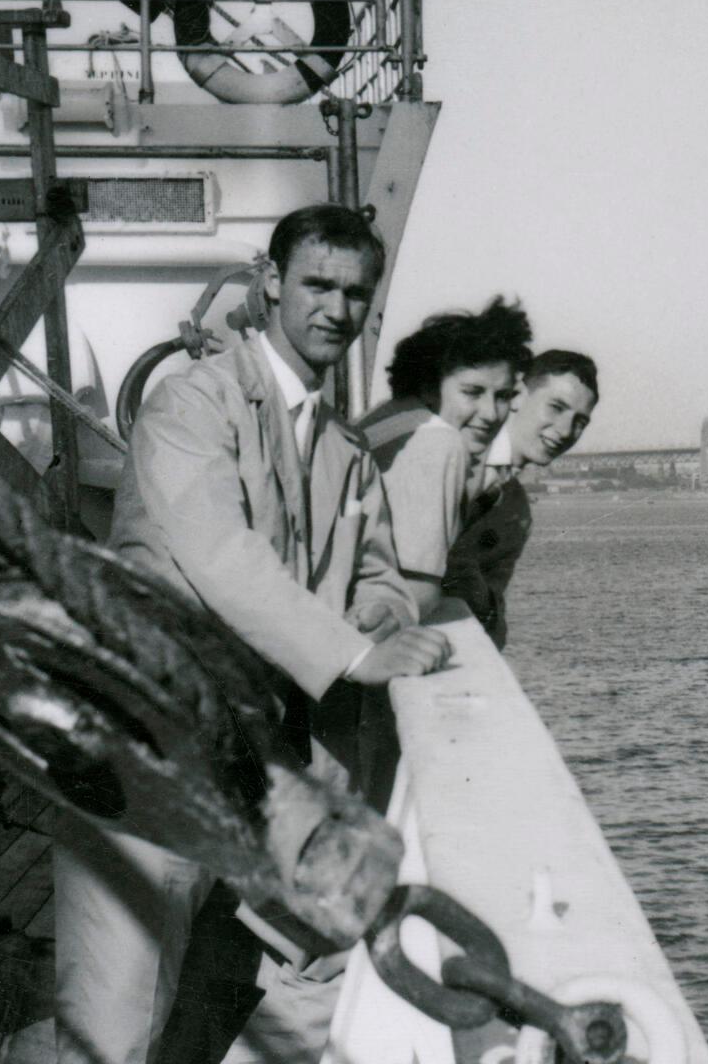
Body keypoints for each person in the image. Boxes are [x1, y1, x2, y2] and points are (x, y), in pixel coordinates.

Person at [57, 205, 453, 1064]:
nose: (336, 310)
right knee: (113, 1016)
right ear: (271, 283)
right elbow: (218, 553)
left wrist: (383, 616)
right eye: (317, 284)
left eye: (356, 293)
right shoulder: (191, 407)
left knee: (216, 984)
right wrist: (355, 653)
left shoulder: (343, 450)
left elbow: (385, 577)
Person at [356, 297, 533, 617]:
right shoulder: (440, 443)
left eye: (503, 396)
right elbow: (417, 596)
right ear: (429, 387)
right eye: (472, 392)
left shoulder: (383, 421)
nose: (491, 413)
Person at [443, 350, 599, 646]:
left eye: (580, 421)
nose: (566, 430)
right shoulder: (451, 453)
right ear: (516, 397)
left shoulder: (516, 513)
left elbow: (492, 619)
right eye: (555, 407)